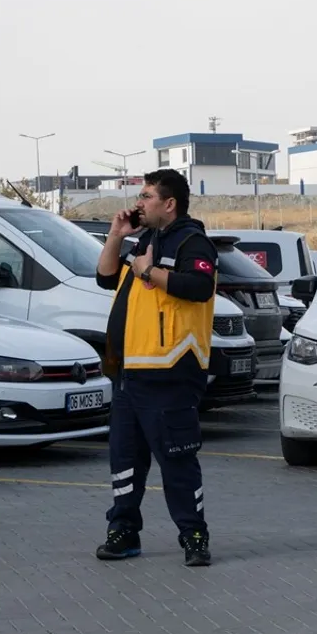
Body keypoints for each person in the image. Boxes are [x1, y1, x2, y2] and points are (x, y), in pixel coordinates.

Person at [93, 168, 218, 567]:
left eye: (147, 196)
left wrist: (148, 271)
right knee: (125, 461)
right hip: (129, 374)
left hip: (170, 374)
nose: (138, 202)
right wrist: (117, 235)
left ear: (169, 203)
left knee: (178, 462)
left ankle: (194, 536)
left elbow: (198, 288)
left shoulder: (193, 241)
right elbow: (104, 278)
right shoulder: (144, 239)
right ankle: (123, 531)